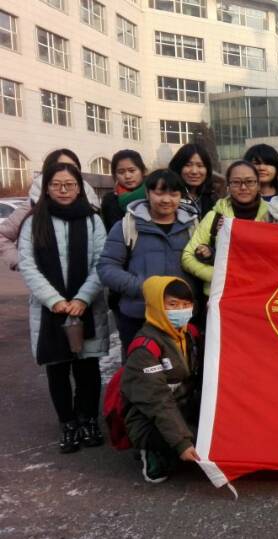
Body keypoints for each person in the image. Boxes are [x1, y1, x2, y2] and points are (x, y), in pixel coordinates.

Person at [17, 162, 110, 453]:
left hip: (87, 307)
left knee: (88, 367)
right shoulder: (34, 221)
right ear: (46, 188)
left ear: (79, 188)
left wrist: (82, 298)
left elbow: (102, 262)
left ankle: (88, 419)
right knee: (57, 369)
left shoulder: (93, 220)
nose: (63, 190)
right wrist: (54, 300)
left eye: (70, 184)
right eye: (56, 184)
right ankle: (67, 423)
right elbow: (27, 264)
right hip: (50, 310)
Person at [97, 170, 199, 356]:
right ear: (147, 193)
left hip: (182, 317)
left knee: (184, 367)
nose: (166, 200)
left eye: (173, 194)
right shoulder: (127, 226)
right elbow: (107, 267)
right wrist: (143, 288)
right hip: (139, 316)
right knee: (140, 368)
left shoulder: (193, 226)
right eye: (159, 193)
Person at [121, 276, 203, 483]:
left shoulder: (190, 334)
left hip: (183, 406)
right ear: (156, 305)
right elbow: (158, 400)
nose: (181, 310)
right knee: (193, 445)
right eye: (173, 305)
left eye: (186, 304)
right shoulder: (145, 347)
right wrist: (182, 443)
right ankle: (149, 450)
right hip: (150, 417)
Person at [182, 161, 270, 296]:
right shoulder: (215, 217)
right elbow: (187, 257)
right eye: (236, 182)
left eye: (250, 182)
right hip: (221, 296)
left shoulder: (272, 217)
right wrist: (220, 277)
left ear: (258, 185)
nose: (243, 187)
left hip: (262, 295)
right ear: (228, 186)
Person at [2, 149, 98, 271]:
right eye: (61, 166)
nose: (67, 171)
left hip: (88, 279)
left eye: (73, 167)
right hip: (43, 280)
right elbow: (2, 236)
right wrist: (21, 263)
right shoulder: (33, 206)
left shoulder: (91, 206)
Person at [166, 144, 218, 218]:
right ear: (178, 167)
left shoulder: (210, 197)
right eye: (188, 165)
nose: (194, 171)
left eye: (200, 166)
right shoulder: (167, 195)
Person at [101, 150, 147, 232]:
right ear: (115, 175)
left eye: (132, 171)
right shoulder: (110, 200)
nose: (127, 176)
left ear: (142, 171)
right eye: (121, 172)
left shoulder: (153, 194)